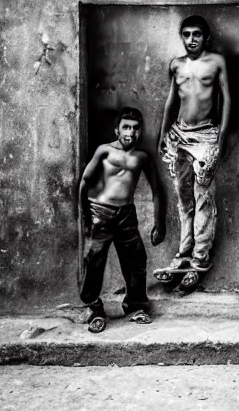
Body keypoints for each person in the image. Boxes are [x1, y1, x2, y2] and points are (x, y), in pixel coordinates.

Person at [156, 15, 231, 289]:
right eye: (186, 34)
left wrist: (220, 139)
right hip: (178, 135)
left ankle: (200, 260)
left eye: (196, 34)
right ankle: (183, 254)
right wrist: (162, 133)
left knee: (203, 200)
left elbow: (227, 100)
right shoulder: (176, 65)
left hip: (205, 137)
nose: (191, 39)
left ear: (205, 37)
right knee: (182, 198)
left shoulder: (216, 63)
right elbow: (170, 100)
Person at [79, 107, 165, 330]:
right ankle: (94, 307)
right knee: (95, 259)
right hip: (101, 213)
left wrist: (159, 222)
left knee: (136, 259)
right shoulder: (104, 151)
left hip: (126, 214)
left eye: (136, 128)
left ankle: (136, 306)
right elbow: (85, 182)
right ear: (117, 130)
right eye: (126, 127)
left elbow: (157, 190)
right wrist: (85, 217)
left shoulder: (142, 157)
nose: (131, 132)